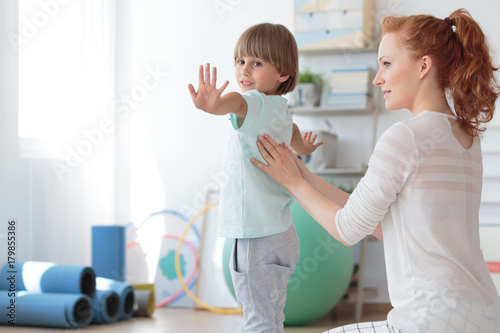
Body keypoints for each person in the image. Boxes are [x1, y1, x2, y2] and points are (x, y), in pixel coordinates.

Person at [251, 8, 500, 333]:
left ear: (423, 66)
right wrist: (305, 175)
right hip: (485, 314)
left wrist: (294, 184)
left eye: (386, 63)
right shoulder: (467, 136)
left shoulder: (405, 137)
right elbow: (388, 225)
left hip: (430, 321)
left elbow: (348, 229)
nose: (377, 78)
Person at [188, 23, 323, 332]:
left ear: (283, 74)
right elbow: (294, 134)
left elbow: (234, 102)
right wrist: (306, 146)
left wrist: (213, 107)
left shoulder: (252, 102)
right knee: (273, 314)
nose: (244, 69)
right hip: (283, 232)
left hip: (256, 235)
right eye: (240, 61)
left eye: (257, 63)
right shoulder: (281, 109)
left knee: (257, 319)